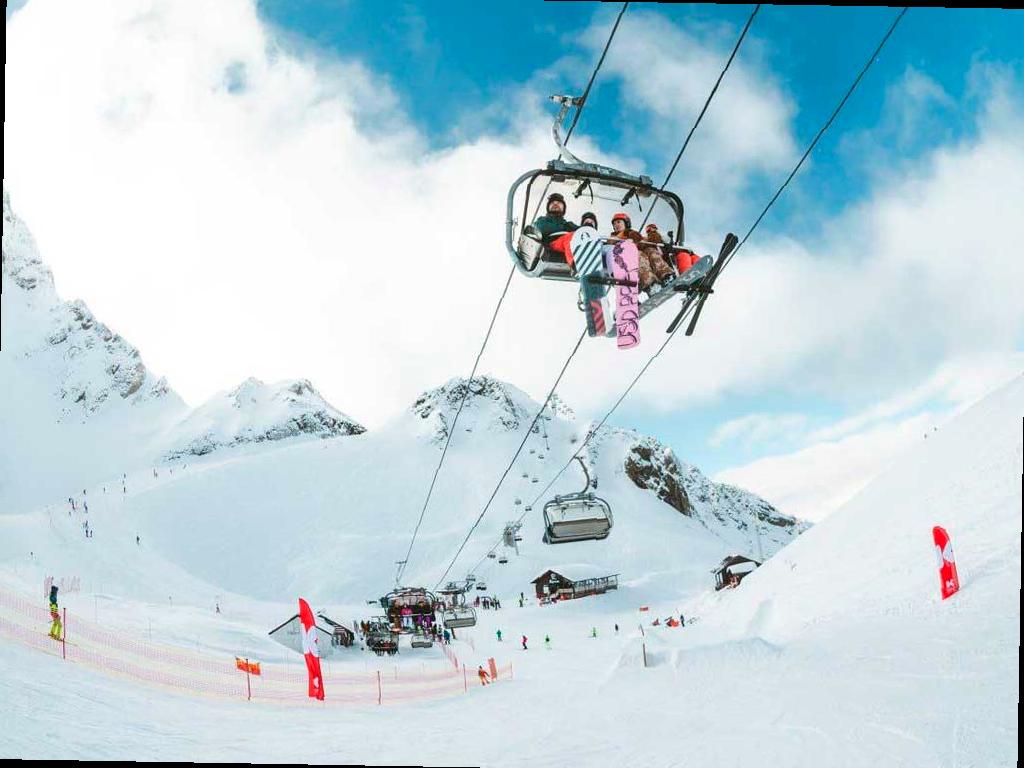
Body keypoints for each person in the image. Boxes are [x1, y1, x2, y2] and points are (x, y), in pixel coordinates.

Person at [530, 193, 579, 266]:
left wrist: (588, 227)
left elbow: (582, 232)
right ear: (548, 207)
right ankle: (576, 266)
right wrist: (566, 229)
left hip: (565, 247)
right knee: (570, 238)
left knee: (580, 237)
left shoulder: (567, 224)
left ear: (563, 207)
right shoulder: (542, 221)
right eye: (552, 203)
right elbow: (541, 229)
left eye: (558, 203)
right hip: (550, 245)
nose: (555, 204)